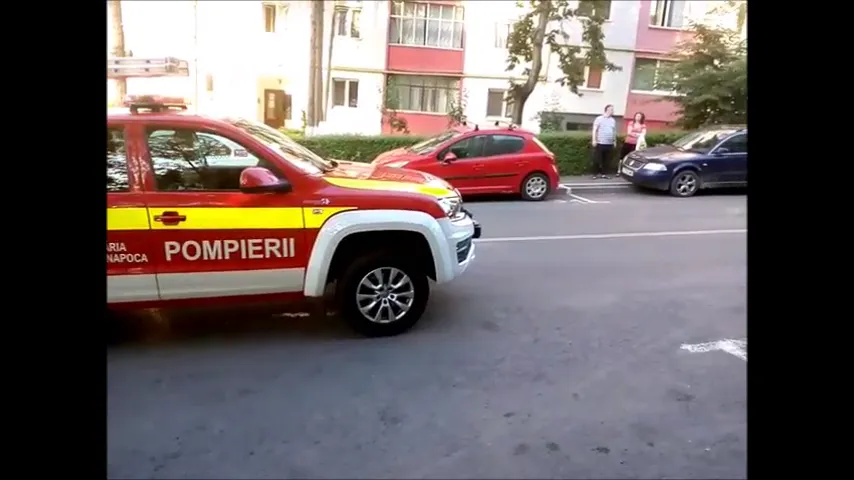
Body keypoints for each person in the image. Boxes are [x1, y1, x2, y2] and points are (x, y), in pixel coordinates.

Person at [591, 104, 617, 179]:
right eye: (612, 109)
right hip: (600, 142)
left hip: (609, 143)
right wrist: (594, 140)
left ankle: (604, 173)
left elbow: (614, 131)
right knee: (597, 159)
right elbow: (594, 130)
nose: (613, 111)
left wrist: (614, 140)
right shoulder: (599, 119)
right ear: (607, 110)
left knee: (607, 160)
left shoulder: (613, 120)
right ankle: (595, 174)